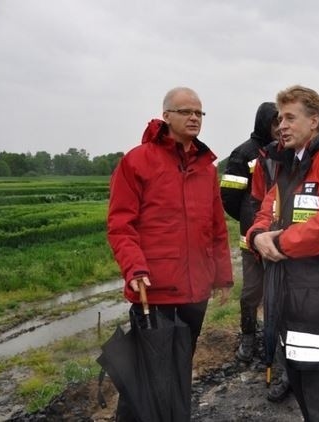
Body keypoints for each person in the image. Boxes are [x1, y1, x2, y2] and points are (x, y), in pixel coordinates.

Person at [107, 86, 233, 420]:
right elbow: (121, 224)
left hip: (196, 292)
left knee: (180, 367)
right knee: (146, 375)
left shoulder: (206, 167)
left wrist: (221, 277)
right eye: (186, 111)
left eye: (199, 113)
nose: (194, 118)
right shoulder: (137, 161)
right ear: (166, 116)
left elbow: (216, 226)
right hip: (155, 289)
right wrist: (134, 269)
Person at [247, 85, 319, 421]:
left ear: (314, 121)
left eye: (290, 117)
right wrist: (257, 237)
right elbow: (267, 207)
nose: (281, 125)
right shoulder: (289, 165)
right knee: (300, 389)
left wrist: (281, 243)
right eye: (279, 118)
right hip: (291, 300)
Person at [219, 102, 290, 402]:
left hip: (283, 240)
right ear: (264, 124)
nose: (280, 128)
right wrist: (251, 223)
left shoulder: (289, 151)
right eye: (275, 123)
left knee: (284, 297)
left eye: (283, 122)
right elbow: (230, 199)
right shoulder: (243, 154)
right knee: (251, 293)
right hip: (253, 240)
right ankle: (248, 338)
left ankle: (281, 350)